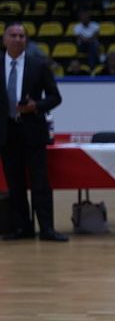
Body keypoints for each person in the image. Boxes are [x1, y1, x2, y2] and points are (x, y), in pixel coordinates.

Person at [0, 22, 67, 242]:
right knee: (15, 183)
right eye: (13, 35)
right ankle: (23, 227)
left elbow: (55, 97)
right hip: (7, 132)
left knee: (40, 182)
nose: (18, 39)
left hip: (32, 130)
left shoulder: (38, 65)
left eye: (22, 35)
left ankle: (47, 228)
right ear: (4, 39)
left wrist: (35, 106)